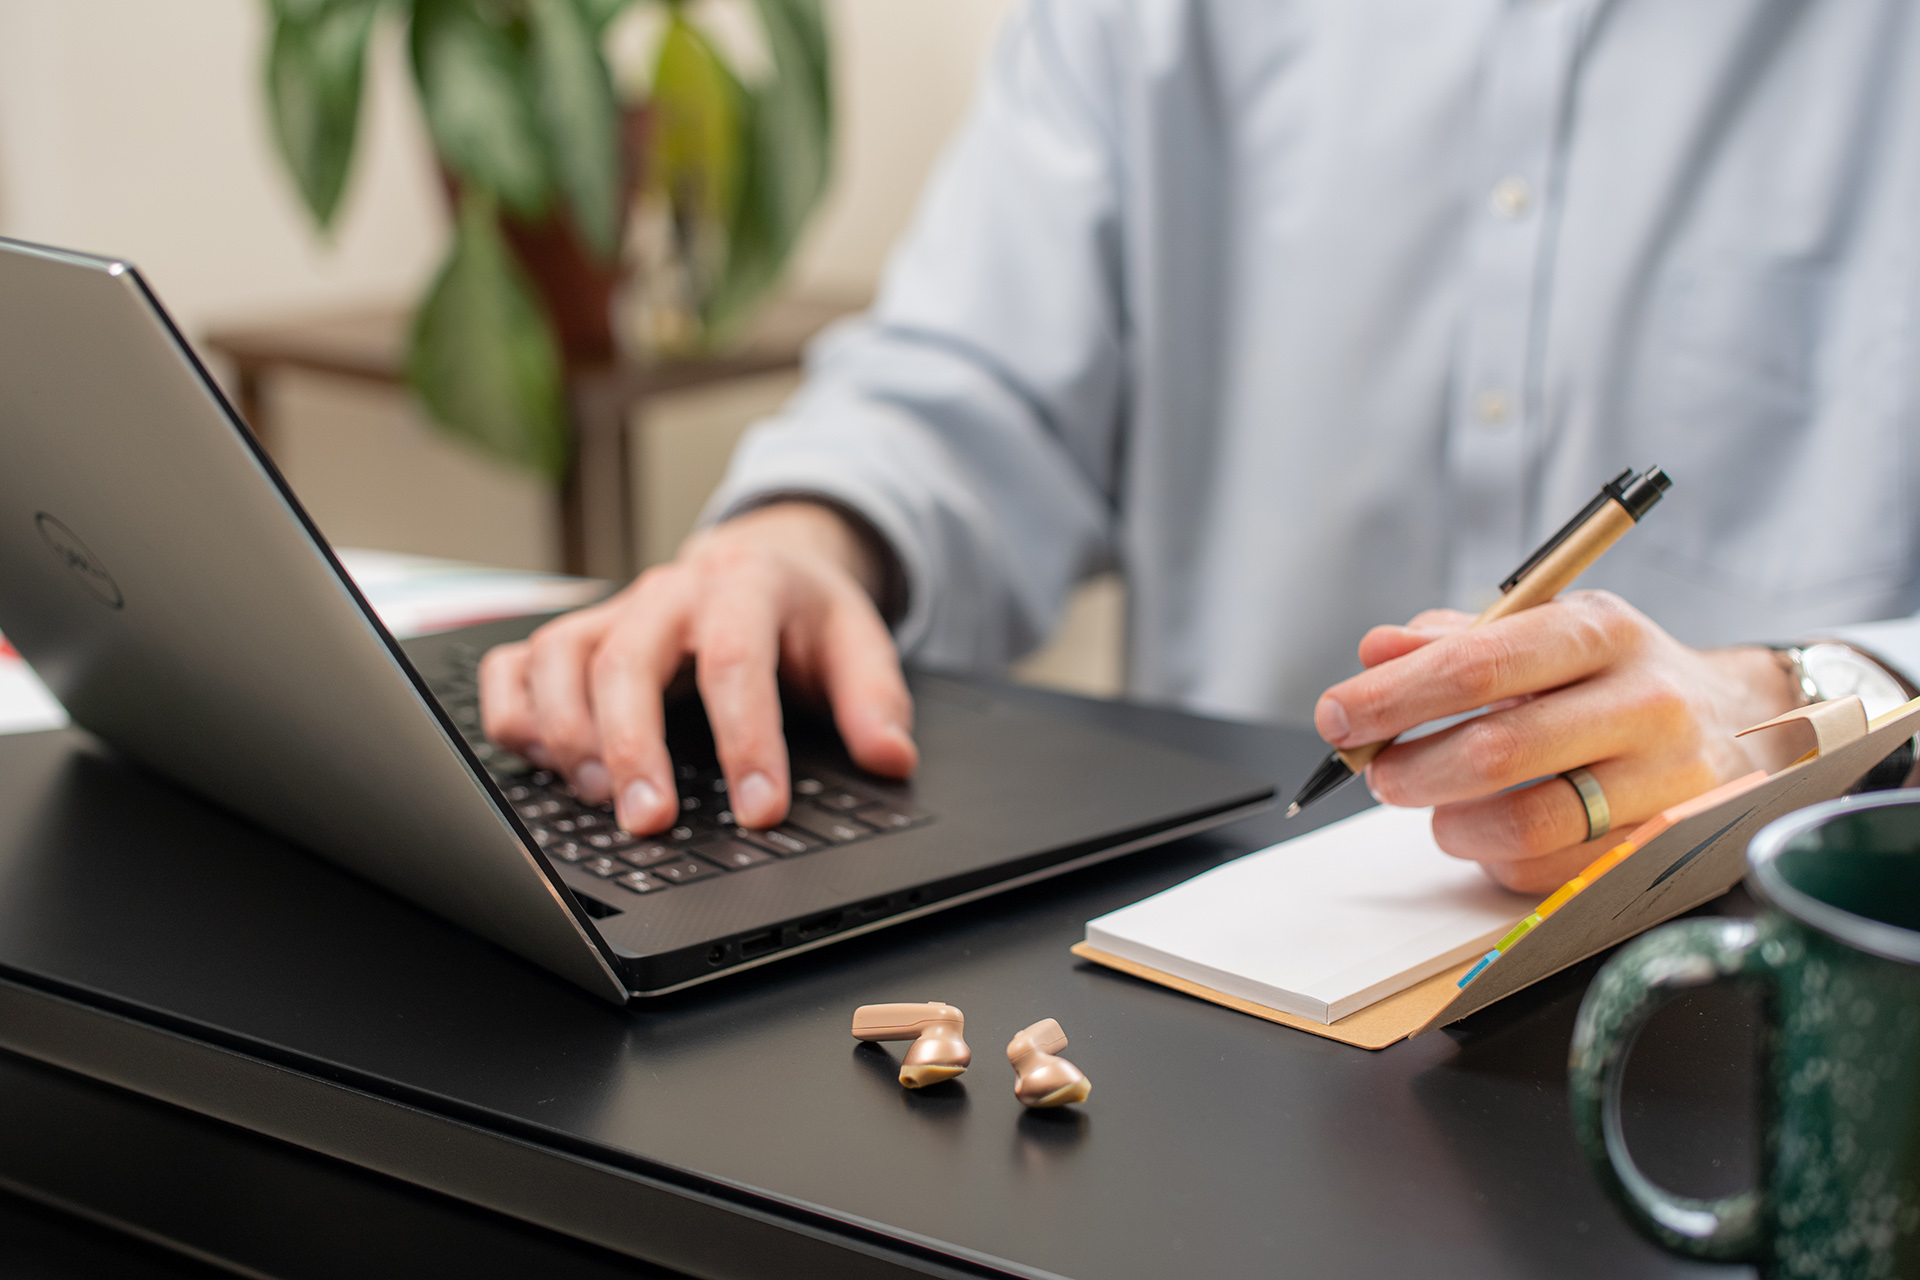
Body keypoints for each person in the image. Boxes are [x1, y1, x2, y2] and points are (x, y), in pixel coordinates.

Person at [481, 0, 1920, 894]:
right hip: (1230, 968)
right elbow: (967, 381)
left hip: (1802, 972)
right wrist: (799, 542)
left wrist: (1801, 703)